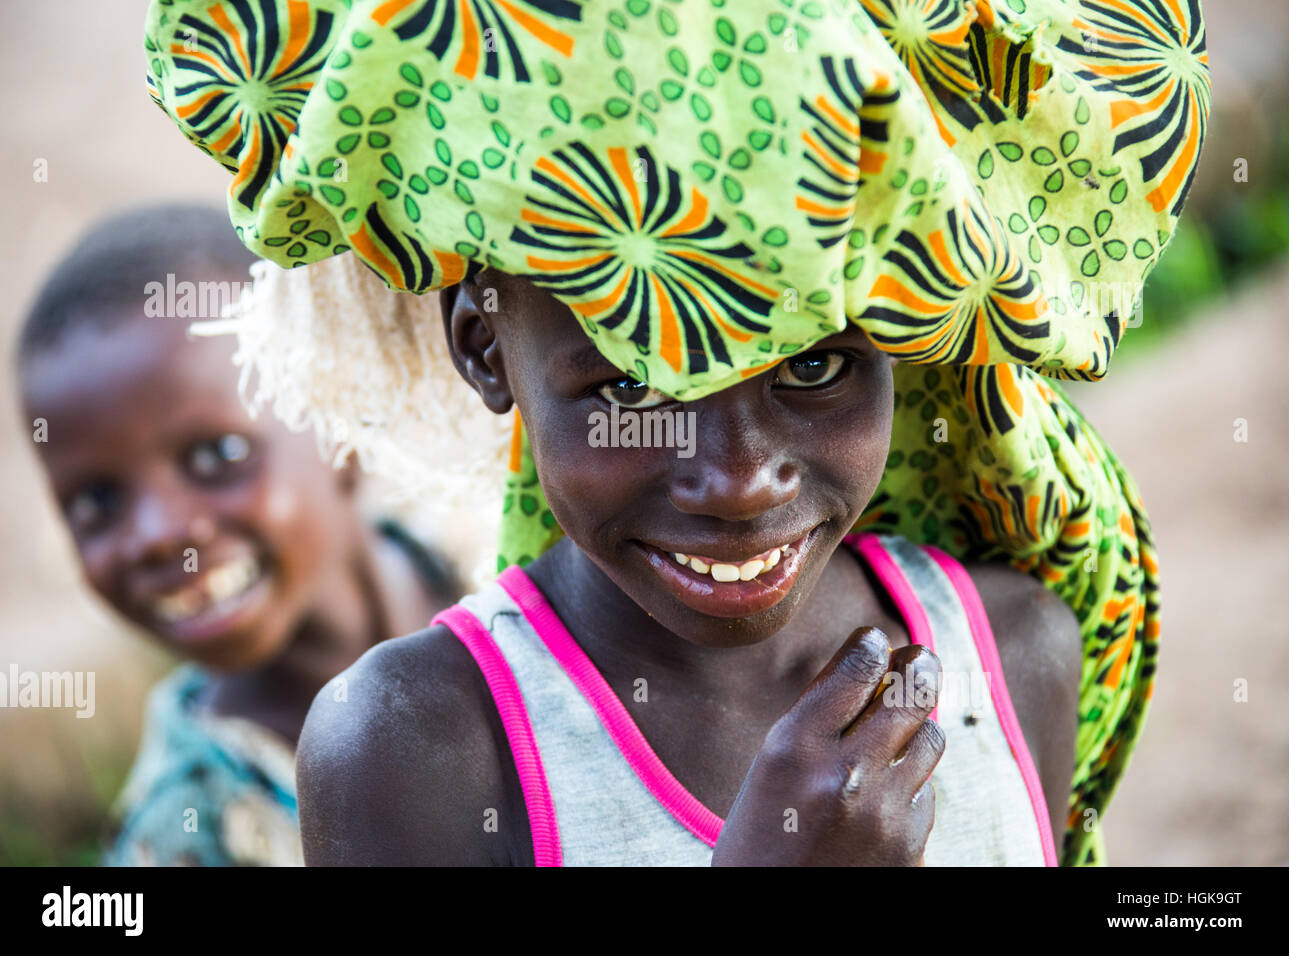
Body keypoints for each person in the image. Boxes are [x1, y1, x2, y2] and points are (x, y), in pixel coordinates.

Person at [142, 0, 1209, 864]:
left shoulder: (1018, 652)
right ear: (484, 348)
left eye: (813, 366)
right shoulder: (417, 746)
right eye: (637, 383)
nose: (739, 479)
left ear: (904, 338)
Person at [16, 204, 461, 865]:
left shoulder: (513, 566)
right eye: (98, 499)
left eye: (216, 455)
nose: (159, 536)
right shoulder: (187, 833)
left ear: (336, 421)